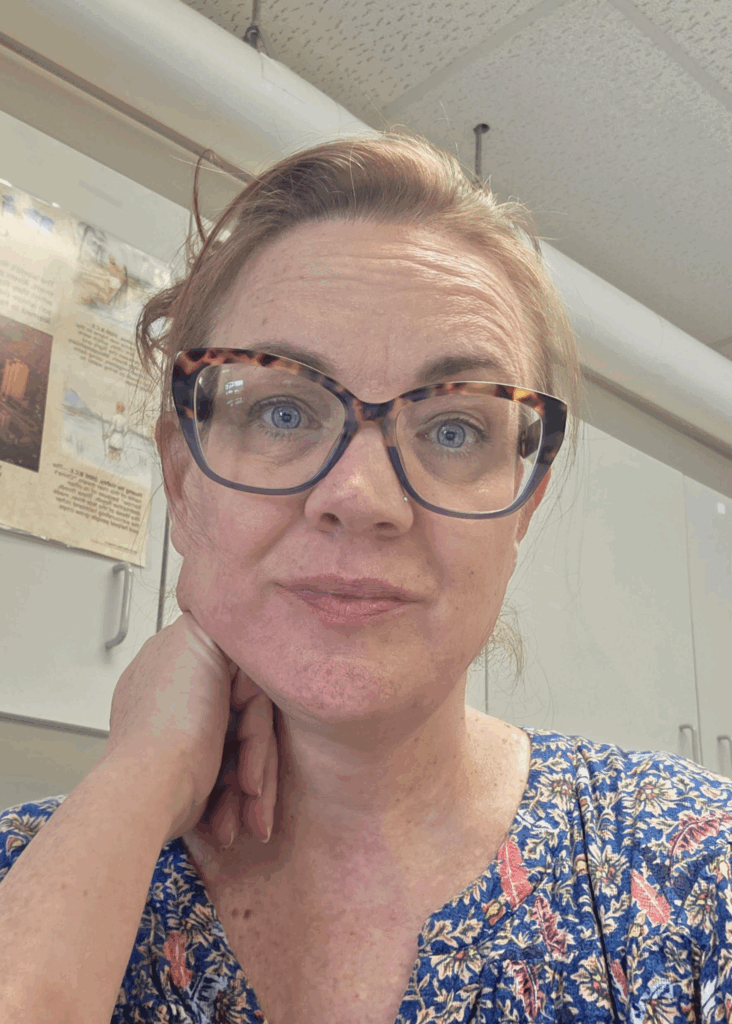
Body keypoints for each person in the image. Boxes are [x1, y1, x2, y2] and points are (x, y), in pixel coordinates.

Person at [1, 132, 731, 1024]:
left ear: (523, 508)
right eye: (282, 410)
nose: (360, 497)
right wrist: (139, 777)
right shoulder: (26, 871)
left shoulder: (696, 872)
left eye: (455, 430)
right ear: (183, 481)